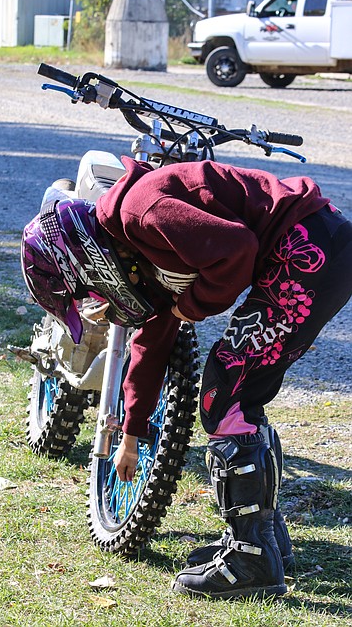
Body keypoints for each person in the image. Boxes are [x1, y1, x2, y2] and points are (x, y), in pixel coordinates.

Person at [22, 156, 352, 600]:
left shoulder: (138, 211)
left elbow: (236, 250)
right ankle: (267, 544)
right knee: (241, 397)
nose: (96, 300)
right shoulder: (138, 250)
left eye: (86, 289)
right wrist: (131, 434)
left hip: (308, 248)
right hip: (316, 248)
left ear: (81, 259)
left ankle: (251, 560)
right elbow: (151, 341)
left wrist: (190, 306)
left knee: (224, 394)